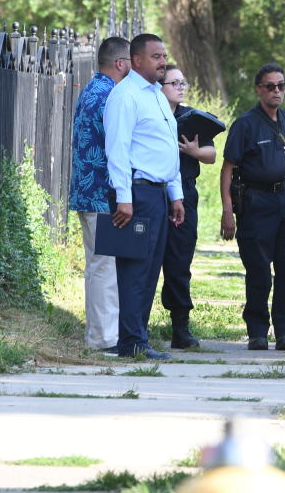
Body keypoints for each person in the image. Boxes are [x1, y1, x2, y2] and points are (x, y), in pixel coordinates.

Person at [104, 33, 184, 360]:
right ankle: (131, 342)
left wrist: (175, 194)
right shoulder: (125, 96)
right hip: (135, 195)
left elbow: (166, 149)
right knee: (134, 270)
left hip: (159, 195)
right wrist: (124, 197)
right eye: (156, 56)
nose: (163, 61)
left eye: (164, 56)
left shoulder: (155, 95)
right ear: (137, 60)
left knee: (150, 270)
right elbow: (118, 149)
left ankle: (139, 337)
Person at [220, 64, 285, 351]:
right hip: (256, 203)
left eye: (281, 85)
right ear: (259, 89)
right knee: (258, 269)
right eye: (270, 86)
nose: (277, 91)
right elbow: (227, 169)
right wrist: (227, 210)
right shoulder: (245, 124)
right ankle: (257, 330)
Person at [69, 36, 131, 354]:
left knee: (99, 265)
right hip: (102, 194)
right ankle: (103, 338)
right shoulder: (111, 95)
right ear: (121, 63)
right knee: (104, 266)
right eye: (131, 62)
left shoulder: (93, 88)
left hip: (88, 190)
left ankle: (102, 333)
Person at [160, 65, 216, 349]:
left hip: (186, 193)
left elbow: (211, 154)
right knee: (147, 260)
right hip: (156, 194)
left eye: (183, 82)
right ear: (160, 86)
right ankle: (135, 324)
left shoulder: (191, 116)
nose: (181, 87)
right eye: (174, 82)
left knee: (180, 260)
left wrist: (195, 152)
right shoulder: (152, 114)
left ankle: (180, 327)